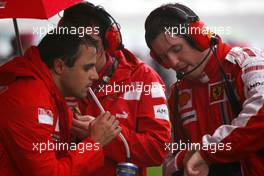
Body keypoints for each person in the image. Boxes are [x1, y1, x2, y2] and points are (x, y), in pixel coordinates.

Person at [144, 3, 264, 176]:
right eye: (163, 57)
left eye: (176, 49)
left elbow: (261, 116)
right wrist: (186, 159)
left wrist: (205, 152)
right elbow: (169, 161)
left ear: (199, 36)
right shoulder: (178, 94)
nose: (173, 62)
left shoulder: (248, 62)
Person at [59, 2, 171, 176]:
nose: (82, 50)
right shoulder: (56, 77)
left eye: (92, 42)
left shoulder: (143, 78)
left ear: (109, 41)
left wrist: (102, 134)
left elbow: (157, 151)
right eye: (73, 43)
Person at [0, 29, 121, 175]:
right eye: (87, 67)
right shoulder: (29, 100)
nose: (95, 76)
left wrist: (84, 136)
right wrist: (95, 143)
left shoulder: (48, 92)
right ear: (59, 66)